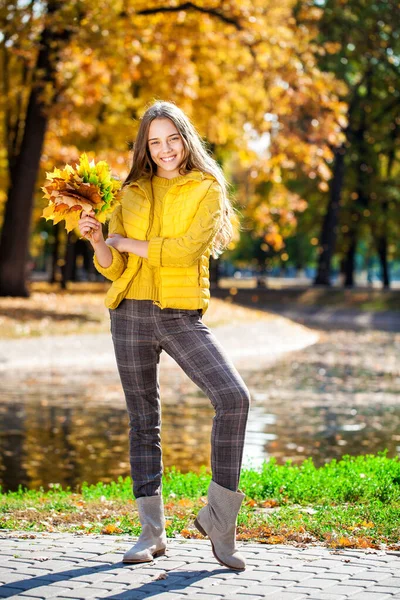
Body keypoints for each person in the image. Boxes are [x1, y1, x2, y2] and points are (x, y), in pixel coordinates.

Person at [78, 101, 251, 571]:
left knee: (233, 398)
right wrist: (98, 240)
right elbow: (114, 267)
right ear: (144, 147)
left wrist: (127, 243)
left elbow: (184, 251)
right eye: (154, 142)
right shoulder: (128, 192)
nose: (165, 149)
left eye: (172, 138)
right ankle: (151, 533)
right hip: (129, 313)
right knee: (143, 422)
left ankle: (219, 520)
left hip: (180, 314)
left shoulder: (207, 188)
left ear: (186, 138)